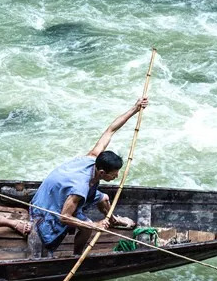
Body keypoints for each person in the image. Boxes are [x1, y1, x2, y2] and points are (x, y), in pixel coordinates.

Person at [27, 97, 149, 258]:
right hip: (45, 209)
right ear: (102, 173)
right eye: (114, 173)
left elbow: (110, 130)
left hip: (59, 192)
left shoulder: (93, 158)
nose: (117, 176)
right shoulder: (80, 188)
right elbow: (64, 217)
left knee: (103, 198)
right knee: (88, 227)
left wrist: (135, 109)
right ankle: (77, 255)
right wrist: (96, 225)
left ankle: (112, 220)